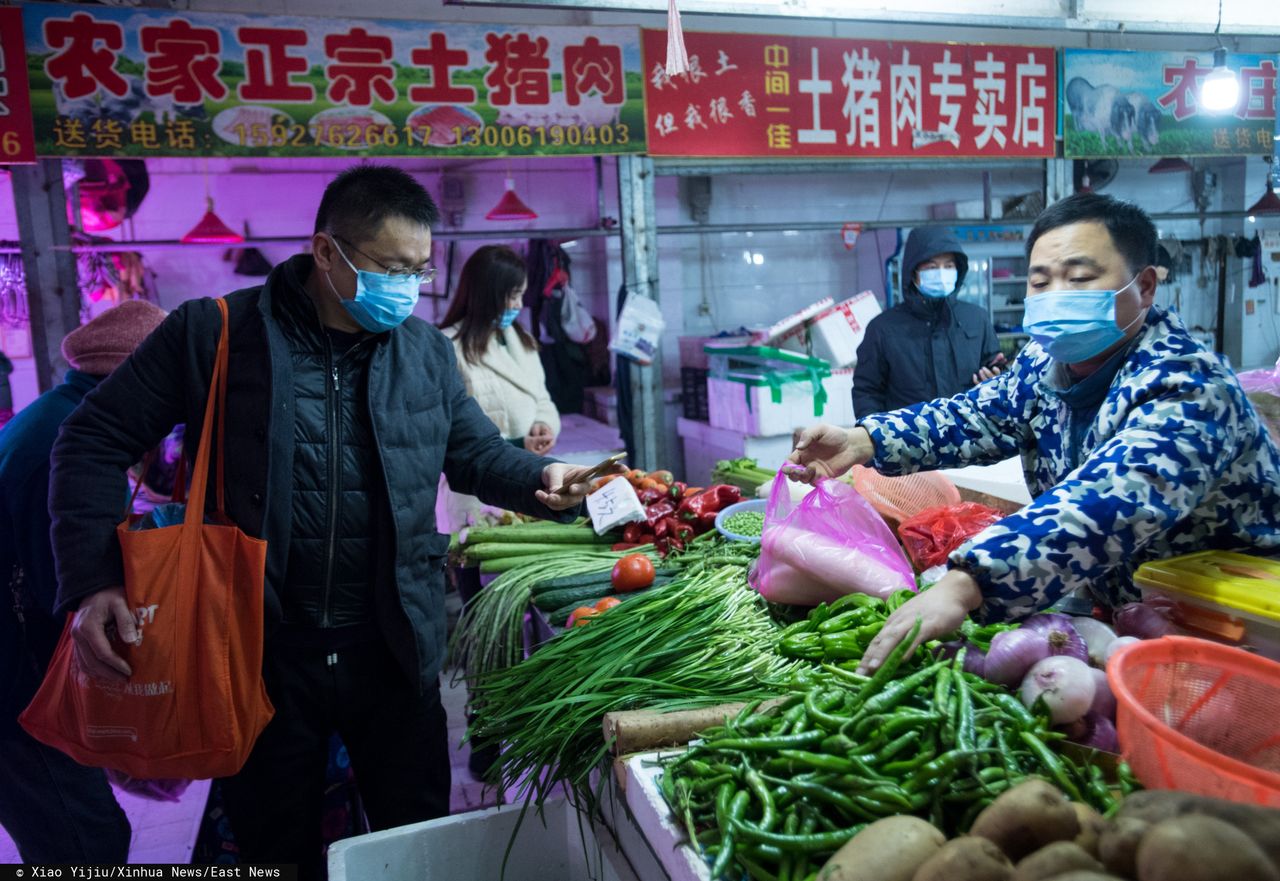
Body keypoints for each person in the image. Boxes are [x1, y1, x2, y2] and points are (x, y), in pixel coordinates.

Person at [47, 165, 604, 878]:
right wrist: (93, 579)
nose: (407, 285)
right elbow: (90, 440)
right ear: (326, 251)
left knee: (416, 839)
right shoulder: (216, 334)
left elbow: (474, 455)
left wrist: (541, 479)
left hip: (393, 650)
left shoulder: (424, 353)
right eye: (391, 267)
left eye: (420, 269)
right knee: (275, 845)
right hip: (260, 654)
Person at [790, 193, 1280, 673]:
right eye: (1041, 282)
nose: (1056, 295)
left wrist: (968, 582)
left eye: (1080, 277)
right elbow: (978, 415)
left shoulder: (1189, 387)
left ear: (1144, 286)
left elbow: (1106, 504)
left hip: (1234, 633)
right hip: (1129, 619)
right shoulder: (1046, 364)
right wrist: (863, 441)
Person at [0, 299, 166, 864]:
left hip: (19, 681)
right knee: (85, 844)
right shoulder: (60, 445)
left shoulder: (57, 414)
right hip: (16, 693)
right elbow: (62, 597)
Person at [437, 244, 561, 533]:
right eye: (513, 295)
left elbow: (541, 396)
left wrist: (543, 424)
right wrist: (516, 445)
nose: (519, 305)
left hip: (529, 479)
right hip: (476, 494)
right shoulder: (448, 347)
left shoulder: (522, 339)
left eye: (521, 294)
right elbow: (450, 434)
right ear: (487, 293)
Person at [853, 226, 1003, 417]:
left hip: (969, 439)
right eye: (931, 267)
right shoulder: (883, 328)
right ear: (913, 272)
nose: (941, 274)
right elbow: (867, 391)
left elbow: (997, 369)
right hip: (907, 441)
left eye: (948, 266)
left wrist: (996, 378)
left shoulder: (977, 318)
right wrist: (874, 438)